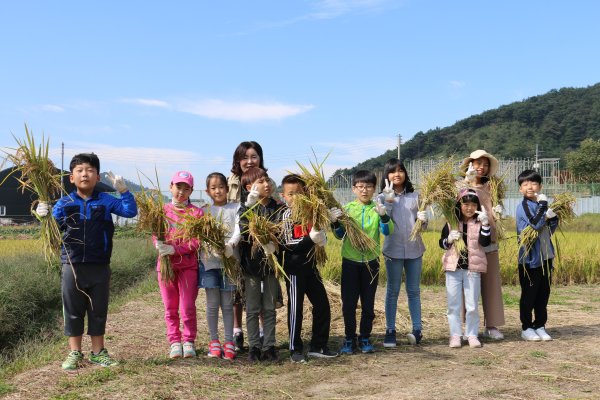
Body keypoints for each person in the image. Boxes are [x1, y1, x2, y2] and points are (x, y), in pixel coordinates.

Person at [36, 153, 137, 369]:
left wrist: (123, 190)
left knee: (98, 309)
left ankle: (98, 352)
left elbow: (130, 211)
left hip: (100, 264)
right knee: (72, 309)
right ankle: (75, 353)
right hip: (71, 264)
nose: (85, 174)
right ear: (71, 178)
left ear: (98, 177)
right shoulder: (64, 203)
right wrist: (43, 217)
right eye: (80, 170)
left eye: (90, 170)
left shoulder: (106, 200)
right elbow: (53, 232)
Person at [329, 170, 394, 355]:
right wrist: (335, 222)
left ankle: (365, 337)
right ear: (353, 188)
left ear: (374, 189)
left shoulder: (377, 207)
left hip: (371, 264)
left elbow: (388, 231)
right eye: (360, 187)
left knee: (368, 304)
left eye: (368, 187)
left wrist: (383, 216)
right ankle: (349, 339)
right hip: (350, 262)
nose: (364, 190)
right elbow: (340, 235)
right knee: (348, 305)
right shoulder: (347, 209)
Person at [227, 141, 281, 350]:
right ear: (237, 161)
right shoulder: (230, 181)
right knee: (239, 291)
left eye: (254, 156)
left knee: (264, 295)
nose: (249, 161)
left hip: (264, 248)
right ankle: (238, 332)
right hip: (237, 243)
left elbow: (275, 211)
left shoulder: (268, 183)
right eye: (245, 157)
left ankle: (263, 337)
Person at [278, 174, 337, 363]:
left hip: (311, 268)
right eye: (291, 194)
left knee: (322, 305)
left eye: (300, 193)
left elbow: (318, 234)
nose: (296, 198)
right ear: (283, 196)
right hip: (294, 269)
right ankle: (295, 349)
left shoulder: (312, 213)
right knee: (296, 309)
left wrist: (322, 238)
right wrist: (310, 239)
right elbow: (287, 243)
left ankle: (318, 345)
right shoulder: (286, 215)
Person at [377, 159, 428, 347]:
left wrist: (423, 220)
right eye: (392, 172)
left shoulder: (416, 196)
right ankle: (390, 330)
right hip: (393, 250)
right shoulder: (382, 198)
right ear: (386, 175)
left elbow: (422, 226)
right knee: (392, 291)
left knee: (414, 291)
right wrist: (388, 202)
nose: (397, 174)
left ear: (405, 174)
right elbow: (385, 227)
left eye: (400, 171)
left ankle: (417, 330)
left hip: (415, 248)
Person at [238, 167, 285, 364]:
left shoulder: (279, 207)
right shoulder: (245, 207)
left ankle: (270, 346)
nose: (267, 184)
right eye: (261, 181)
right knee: (252, 308)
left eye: (268, 180)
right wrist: (249, 209)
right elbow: (242, 231)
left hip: (272, 266)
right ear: (250, 187)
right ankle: (254, 347)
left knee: (269, 308)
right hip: (251, 266)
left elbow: (283, 232)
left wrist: (274, 244)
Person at [154, 171, 203, 359]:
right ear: (170, 186)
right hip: (166, 266)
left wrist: (176, 250)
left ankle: (189, 340)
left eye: (186, 188)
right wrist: (158, 244)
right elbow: (156, 234)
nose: (181, 192)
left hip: (188, 266)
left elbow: (197, 241)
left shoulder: (196, 212)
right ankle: (175, 341)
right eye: (178, 187)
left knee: (188, 306)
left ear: (191, 190)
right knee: (170, 306)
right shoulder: (161, 211)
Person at [460, 150, 506, 339]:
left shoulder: (492, 186)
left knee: (491, 283)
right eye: (477, 163)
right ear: (470, 164)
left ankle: (492, 325)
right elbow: (453, 206)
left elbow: (496, 209)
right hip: (468, 241)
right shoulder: (459, 186)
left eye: (485, 164)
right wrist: (465, 183)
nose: (481, 167)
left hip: (489, 240)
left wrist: (498, 211)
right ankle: (468, 327)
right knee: (467, 286)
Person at [439, 189, 490, 348]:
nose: (469, 208)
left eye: (473, 204)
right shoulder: (451, 222)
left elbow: (485, 242)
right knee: (453, 305)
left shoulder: (480, 221)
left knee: (472, 305)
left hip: (472, 269)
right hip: (453, 269)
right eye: (465, 204)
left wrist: (486, 223)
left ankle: (472, 334)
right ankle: (455, 335)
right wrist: (448, 239)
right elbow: (441, 244)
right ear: (458, 205)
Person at [199, 172, 241, 360]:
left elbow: (239, 229)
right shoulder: (204, 211)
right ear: (207, 191)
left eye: (221, 186)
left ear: (227, 188)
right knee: (212, 304)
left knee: (227, 304)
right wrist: (211, 248)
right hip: (209, 264)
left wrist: (230, 245)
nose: (218, 190)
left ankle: (229, 341)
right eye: (213, 188)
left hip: (229, 263)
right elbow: (201, 235)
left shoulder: (236, 207)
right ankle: (214, 342)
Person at [516, 170, 558, 342]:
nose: (529, 187)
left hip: (546, 257)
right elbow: (536, 225)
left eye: (533, 183)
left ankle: (540, 325)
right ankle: (526, 327)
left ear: (540, 186)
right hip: (530, 259)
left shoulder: (542, 205)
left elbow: (549, 230)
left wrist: (554, 218)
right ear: (520, 189)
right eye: (525, 184)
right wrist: (543, 207)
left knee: (543, 293)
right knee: (529, 294)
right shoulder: (524, 206)